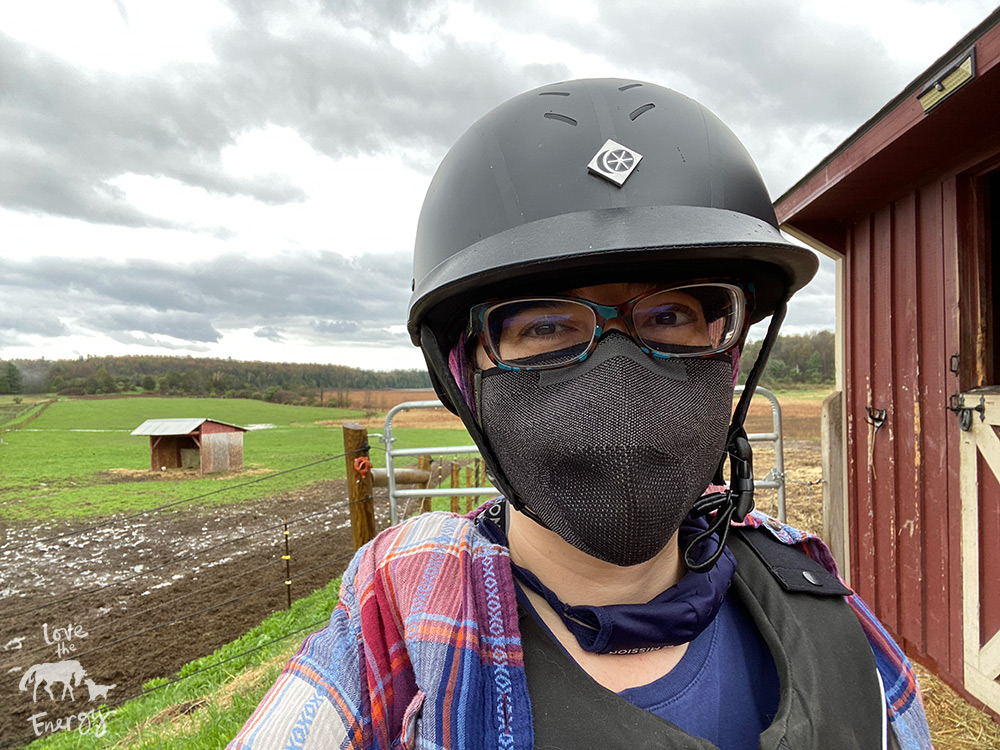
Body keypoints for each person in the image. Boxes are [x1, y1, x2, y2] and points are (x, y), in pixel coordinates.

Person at [230, 79, 932, 749]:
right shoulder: (403, 631)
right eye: (543, 327)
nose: (617, 387)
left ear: (730, 352)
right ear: (462, 375)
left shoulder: (816, 597)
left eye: (669, 315)